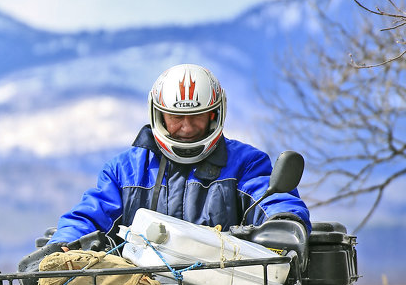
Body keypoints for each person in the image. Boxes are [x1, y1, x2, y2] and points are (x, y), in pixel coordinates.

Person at [45, 63, 310, 249]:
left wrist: (284, 222)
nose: (186, 127)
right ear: (158, 115)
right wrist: (61, 245)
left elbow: (271, 199)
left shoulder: (246, 164)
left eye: (196, 117)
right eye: (176, 117)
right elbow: (90, 216)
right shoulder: (124, 170)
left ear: (214, 114)